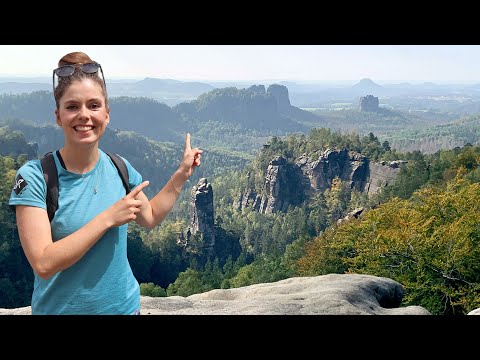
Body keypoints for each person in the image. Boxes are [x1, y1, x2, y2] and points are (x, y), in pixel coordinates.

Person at [8, 51, 203, 315]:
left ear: (107, 114)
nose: (84, 115)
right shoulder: (34, 177)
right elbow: (43, 262)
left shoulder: (119, 167)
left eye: (94, 105)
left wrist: (181, 174)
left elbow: (150, 216)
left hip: (125, 309)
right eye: (72, 107)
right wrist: (108, 218)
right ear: (58, 116)